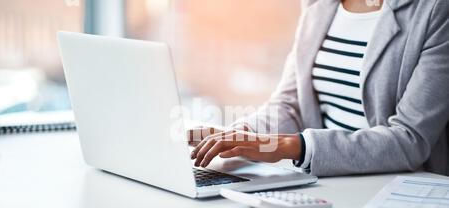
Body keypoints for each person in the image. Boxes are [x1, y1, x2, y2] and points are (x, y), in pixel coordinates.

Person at [188, 0, 449, 177]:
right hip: (328, 183)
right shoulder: (318, 4)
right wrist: (243, 135)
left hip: (395, 190)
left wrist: (291, 146)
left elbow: (409, 139)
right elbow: (291, 104)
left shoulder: (435, 10)